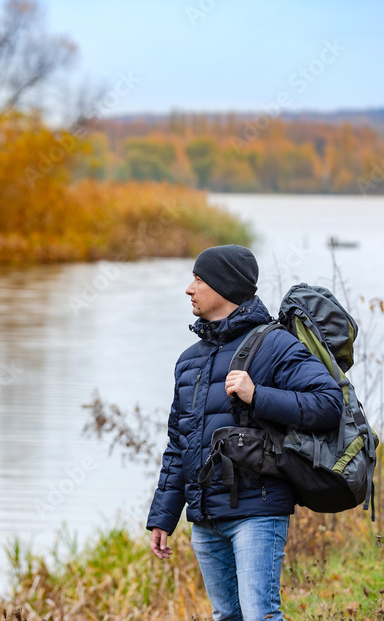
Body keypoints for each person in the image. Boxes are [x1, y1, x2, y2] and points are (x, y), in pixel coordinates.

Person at [146, 244, 343, 621]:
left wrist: (258, 396)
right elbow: (179, 442)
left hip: (257, 510)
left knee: (260, 616)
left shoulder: (275, 344)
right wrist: (163, 516)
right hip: (205, 518)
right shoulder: (189, 361)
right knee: (227, 617)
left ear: (225, 288)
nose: (189, 288)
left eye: (199, 280)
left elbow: (329, 404)